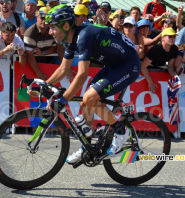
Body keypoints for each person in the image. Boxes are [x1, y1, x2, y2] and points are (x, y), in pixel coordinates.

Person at [36, 5, 140, 163]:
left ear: (65, 26)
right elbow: (64, 68)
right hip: (114, 65)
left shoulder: (83, 36)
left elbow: (82, 74)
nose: (50, 32)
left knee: (89, 98)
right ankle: (87, 147)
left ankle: (121, 131)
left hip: (129, 64)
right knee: (86, 103)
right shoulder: (70, 40)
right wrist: (44, 85)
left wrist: (63, 100)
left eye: (52, 28)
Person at [141, 28, 178, 93]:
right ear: (163, 38)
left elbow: (170, 67)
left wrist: (174, 76)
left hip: (159, 70)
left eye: (174, 36)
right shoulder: (156, 49)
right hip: (148, 70)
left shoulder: (174, 48)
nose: (172, 38)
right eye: (170, 36)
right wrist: (150, 82)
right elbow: (143, 67)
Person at [23, 7, 56, 80]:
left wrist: (43, 53)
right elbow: (29, 54)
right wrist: (38, 73)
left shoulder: (53, 29)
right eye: (42, 18)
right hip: (33, 67)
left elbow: (55, 47)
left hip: (50, 64)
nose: (44, 21)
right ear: (37, 17)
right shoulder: (30, 33)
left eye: (47, 18)